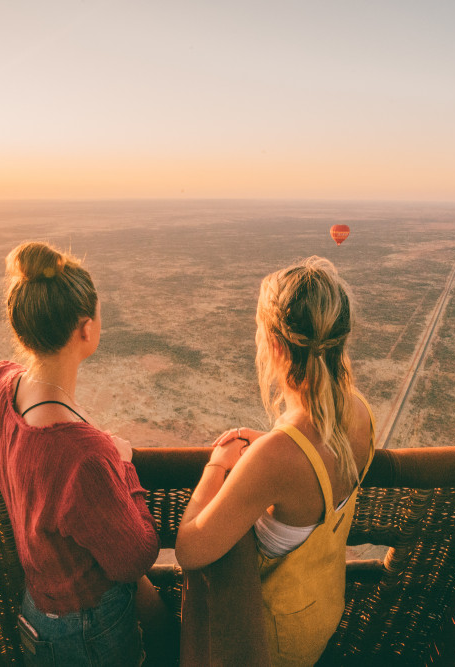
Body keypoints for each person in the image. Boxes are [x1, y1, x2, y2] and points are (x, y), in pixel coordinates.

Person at [0, 241, 160, 665]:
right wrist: (125, 468)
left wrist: (15, 461)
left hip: (37, 613)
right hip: (89, 629)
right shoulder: (86, 455)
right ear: (85, 329)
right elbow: (134, 559)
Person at [175, 256, 376, 666]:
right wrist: (274, 448)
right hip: (321, 612)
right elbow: (315, 464)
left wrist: (217, 463)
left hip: (271, 642)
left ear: (276, 346)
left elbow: (190, 549)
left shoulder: (277, 457)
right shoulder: (359, 412)